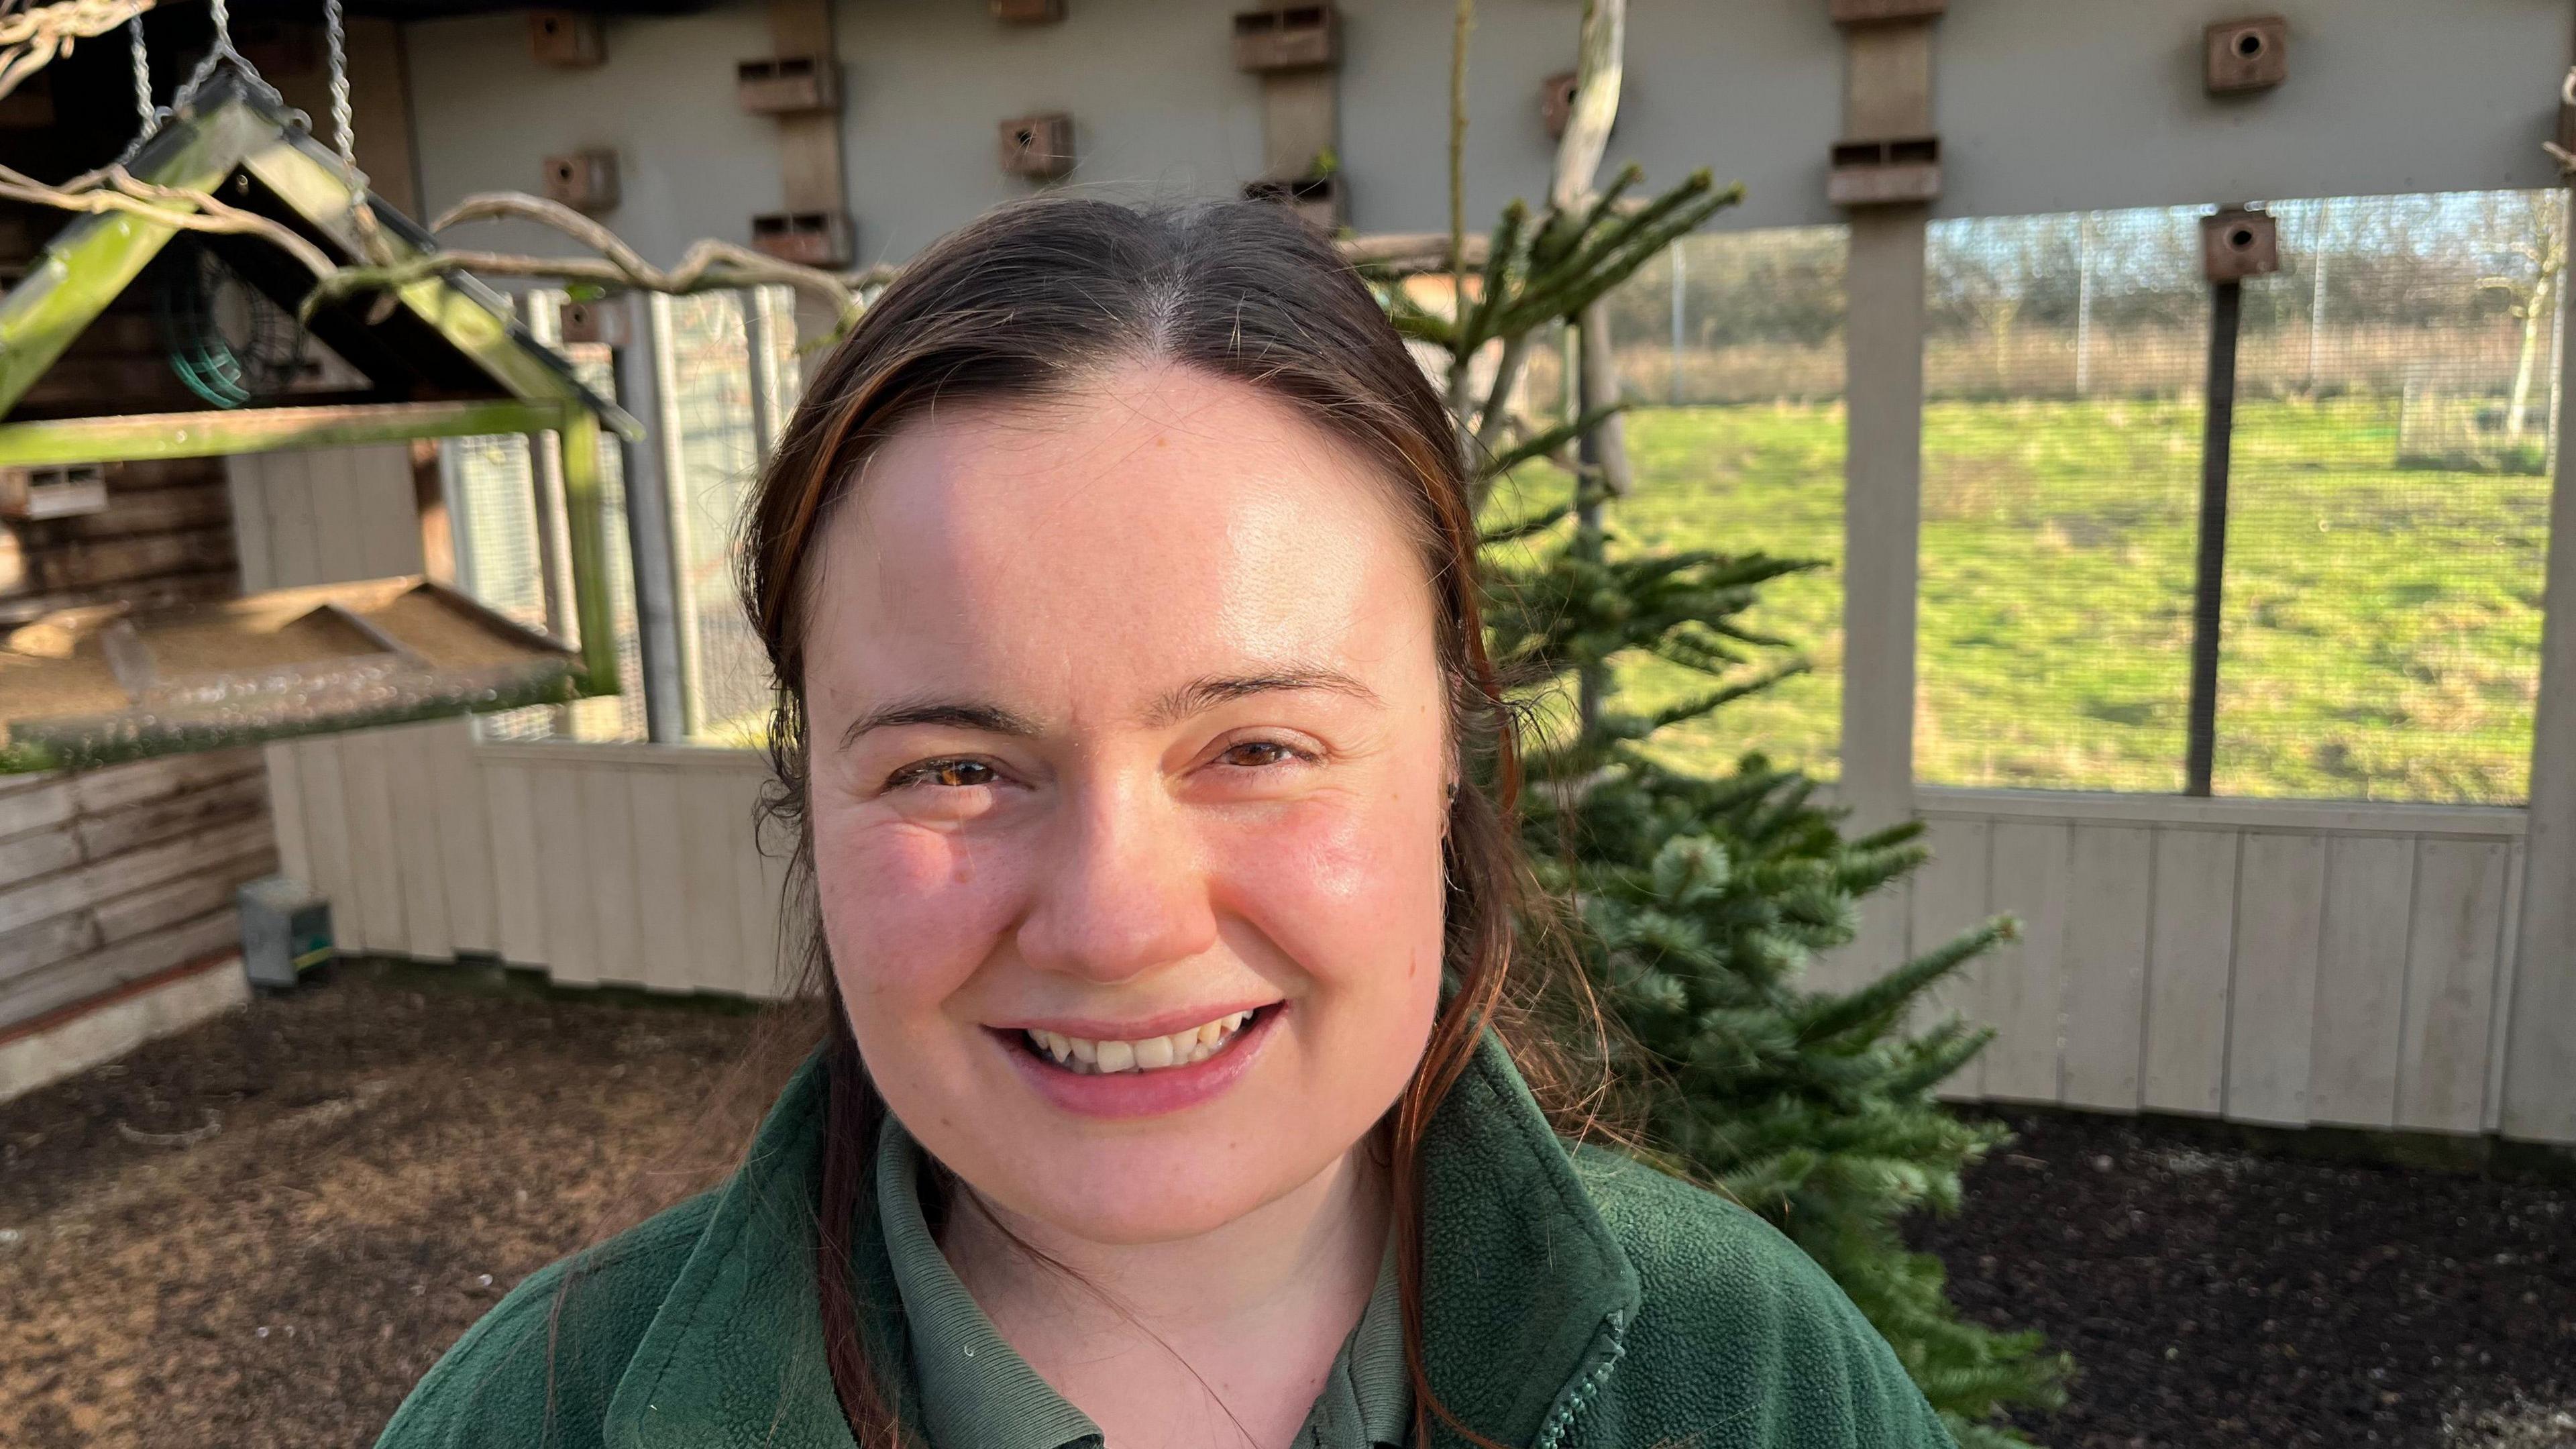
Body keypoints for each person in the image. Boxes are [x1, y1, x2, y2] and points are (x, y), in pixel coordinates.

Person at [373, 195, 1954, 1449]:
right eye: (955, 768)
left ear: (1453, 756)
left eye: (1258, 745)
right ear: (811, 794)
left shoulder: (1746, 1379)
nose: (1118, 921)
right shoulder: (540, 1417)